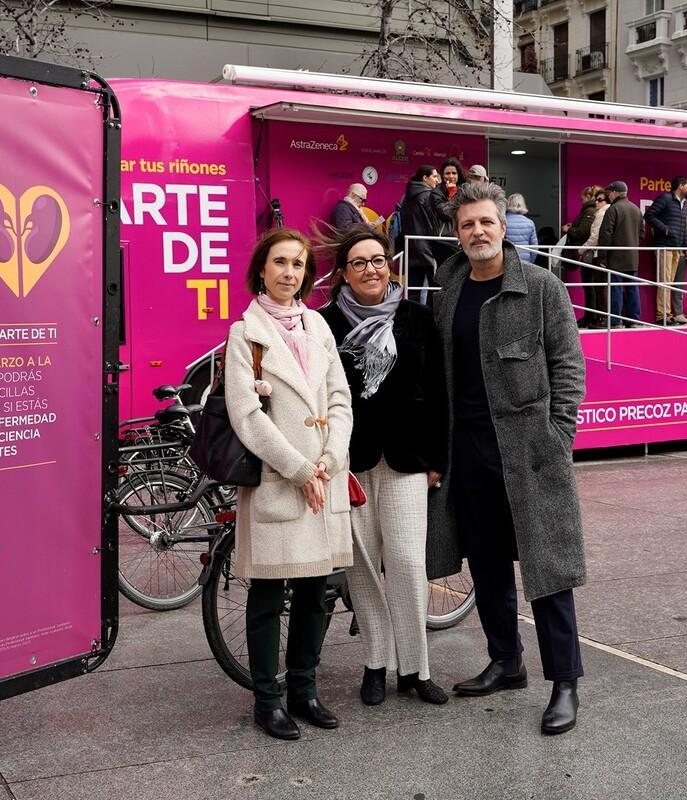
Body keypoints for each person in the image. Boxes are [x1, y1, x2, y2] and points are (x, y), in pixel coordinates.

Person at [427, 181, 587, 736]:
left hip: (529, 453)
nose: (477, 232)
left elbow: (569, 367)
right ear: (456, 232)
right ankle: (506, 660)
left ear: (504, 226)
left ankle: (563, 682)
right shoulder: (447, 290)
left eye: (486, 223)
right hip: (467, 451)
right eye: (467, 224)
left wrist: (557, 437)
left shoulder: (542, 287)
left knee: (547, 570)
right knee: (487, 564)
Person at [224, 228, 354, 741]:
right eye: (280, 262)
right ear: (261, 269)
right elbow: (246, 415)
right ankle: (267, 700)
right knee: (267, 593)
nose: (289, 273)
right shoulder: (246, 333)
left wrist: (330, 457)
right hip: (279, 483)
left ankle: (304, 689)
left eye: (298, 265)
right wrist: (300, 469)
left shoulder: (317, 324)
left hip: (325, 477)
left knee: (313, 591)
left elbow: (340, 397)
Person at [318, 225, 450, 707]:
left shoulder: (417, 317)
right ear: (344, 272)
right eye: (359, 262)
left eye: (377, 260)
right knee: (363, 568)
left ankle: (416, 668)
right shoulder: (325, 324)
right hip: (348, 461)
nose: (370, 269)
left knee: (409, 563)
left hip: (408, 460)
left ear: (390, 264)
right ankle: (376, 663)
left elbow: (438, 392)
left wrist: (438, 458)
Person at [644, 175, 687, 325]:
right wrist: (664, 229)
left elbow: (684, 230)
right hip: (664, 246)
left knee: (669, 282)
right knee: (664, 282)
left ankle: (667, 314)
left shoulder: (684, 205)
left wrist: (686, 248)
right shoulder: (665, 198)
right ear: (681, 186)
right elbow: (649, 215)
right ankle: (662, 315)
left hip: (677, 248)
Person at [597, 180, 645, 328]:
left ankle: (615, 321)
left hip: (615, 257)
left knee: (615, 289)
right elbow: (642, 233)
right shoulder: (636, 209)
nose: (608, 196)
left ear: (615, 193)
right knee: (632, 288)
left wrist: (602, 256)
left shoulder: (613, 209)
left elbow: (606, 234)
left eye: (609, 193)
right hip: (632, 257)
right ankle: (633, 320)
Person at [398, 165, 443, 303]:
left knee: (412, 291)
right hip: (427, 248)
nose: (437, 180)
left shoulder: (407, 196)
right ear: (425, 178)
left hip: (411, 248)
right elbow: (435, 223)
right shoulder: (428, 196)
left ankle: (413, 322)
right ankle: (430, 321)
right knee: (435, 290)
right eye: (434, 176)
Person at [563, 185, 602, 327]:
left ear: (588, 197)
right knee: (590, 286)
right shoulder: (590, 211)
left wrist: (569, 229)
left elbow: (584, 232)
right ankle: (590, 316)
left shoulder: (589, 211)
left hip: (588, 254)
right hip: (588, 254)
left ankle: (591, 317)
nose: (581, 200)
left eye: (582, 198)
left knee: (590, 286)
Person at [504, 193, 539, 264]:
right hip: (525, 261)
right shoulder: (530, 223)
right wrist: (530, 261)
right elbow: (535, 247)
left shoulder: (503, 222)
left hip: (507, 259)